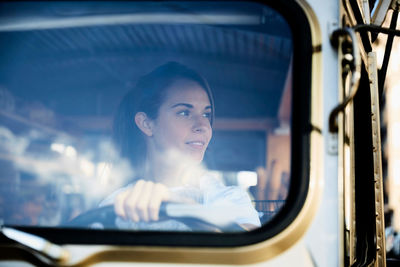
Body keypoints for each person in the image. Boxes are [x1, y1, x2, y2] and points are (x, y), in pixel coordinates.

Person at [101, 62, 260, 231]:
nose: (203, 126)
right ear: (146, 123)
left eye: (206, 114)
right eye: (184, 112)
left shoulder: (229, 198)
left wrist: (184, 208)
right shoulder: (116, 204)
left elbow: (251, 247)